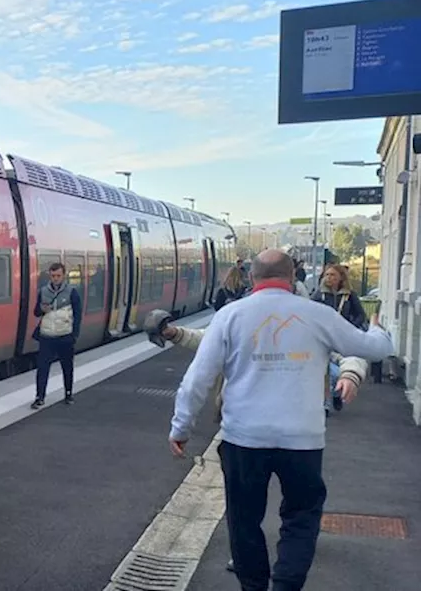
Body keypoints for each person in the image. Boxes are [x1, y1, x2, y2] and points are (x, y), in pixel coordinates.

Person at [168, 249, 394, 591]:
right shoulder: (317, 314)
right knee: (301, 518)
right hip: (302, 440)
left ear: (252, 279)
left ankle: (253, 586)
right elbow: (372, 349)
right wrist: (380, 332)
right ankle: (287, 584)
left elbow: (197, 378)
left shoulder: (230, 316)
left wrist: (181, 427)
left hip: (244, 439)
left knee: (243, 521)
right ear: (292, 278)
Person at [313, 264, 368, 414]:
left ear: (340, 278)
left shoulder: (349, 296)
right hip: (324, 338)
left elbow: (361, 315)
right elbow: (311, 314)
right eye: (327, 275)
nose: (329, 278)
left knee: (338, 371)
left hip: (343, 339)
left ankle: (337, 393)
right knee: (324, 371)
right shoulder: (319, 295)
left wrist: (350, 327)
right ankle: (324, 404)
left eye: (332, 275)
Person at [31, 261, 82, 409]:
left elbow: (78, 315)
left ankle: (68, 393)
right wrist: (42, 309)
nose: (55, 278)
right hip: (47, 336)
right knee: (42, 368)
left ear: (63, 276)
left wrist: (74, 335)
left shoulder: (72, 292)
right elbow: (36, 312)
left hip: (65, 336)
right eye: (53, 276)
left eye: (58, 275)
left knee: (67, 366)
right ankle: (39, 397)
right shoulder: (43, 291)